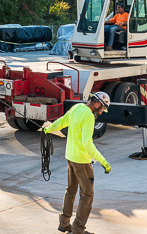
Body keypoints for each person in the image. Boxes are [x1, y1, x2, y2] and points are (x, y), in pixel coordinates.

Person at [43, 91, 112, 234]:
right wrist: (103, 161)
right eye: (102, 108)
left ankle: (64, 223)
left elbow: (62, 122)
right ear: (98, 103)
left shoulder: (77, 107)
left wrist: (49, 129)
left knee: (71, 190)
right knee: (87, 195)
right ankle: (78, 229)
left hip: (70, 157)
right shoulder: (88, 116)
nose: (102, 112)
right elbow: (87, 144)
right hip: (82, 162)